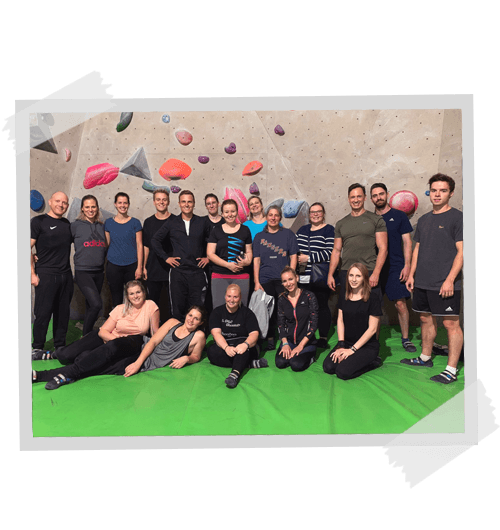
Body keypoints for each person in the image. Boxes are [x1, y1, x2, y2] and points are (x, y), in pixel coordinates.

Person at [32, 280, 160, 389]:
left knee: (86, 359)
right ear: (127, 296)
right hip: (110, 338)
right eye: (132, 293)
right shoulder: (120, 308)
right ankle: (52, 354)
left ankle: (45, 375)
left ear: (144, 293)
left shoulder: (150, 305)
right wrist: (115, 339)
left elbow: (155, 332)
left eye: (138, 292)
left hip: (132, 341)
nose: (136, 296)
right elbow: (103, 331)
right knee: (66, 355)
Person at [402, 174, 463, 384]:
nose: (437, 194)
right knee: (425, 319)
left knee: (450, 323)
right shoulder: (424, 220)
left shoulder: (458, 218)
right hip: (422, 281)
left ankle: (451, 370)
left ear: (451, 193)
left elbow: (462, 252)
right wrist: (412, 274)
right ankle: (425, 357)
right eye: (434, 190)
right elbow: (417, 249)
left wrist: (450, 279)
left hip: (445, 283)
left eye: (443, 190)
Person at [150, 190, 211, 321]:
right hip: (178, 273)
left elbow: (214, 240)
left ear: (194, 203)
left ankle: (197, 333)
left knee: (197, 309)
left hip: (197, 272)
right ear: (179, 204)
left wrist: (209, 257)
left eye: (189, 202)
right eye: (183, 202)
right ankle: (178, 333)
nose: (186, 204)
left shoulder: (202, 222)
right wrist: (166, 257)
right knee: (178, 309)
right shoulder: (172, 222)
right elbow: (155, 240)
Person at [370, 183, 416, 352]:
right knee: (373, 305)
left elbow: (407, 242)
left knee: (400, 304)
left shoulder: (399, 216)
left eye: (381, 194)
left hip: (396, 267)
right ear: (371, 198)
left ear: (387, 194)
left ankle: (405, 338)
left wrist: (407, 266)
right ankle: (373, 339)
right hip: (374, 267)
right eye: (375, 195)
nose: (378, 198)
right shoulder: (369, 218)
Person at [327, 183, 388, 307]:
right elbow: (336, 251)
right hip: (347, 273)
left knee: (371, 311)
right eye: (353, 197)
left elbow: (383, 248)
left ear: (365, 197)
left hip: (368, 271)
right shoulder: (341, 223)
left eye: (359, 196)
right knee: (348, 310)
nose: (356, 200)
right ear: (348, 199)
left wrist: (376, 273)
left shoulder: (376, 219)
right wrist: (330, 274)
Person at [31, 191, 74, 359]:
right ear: (50, 202)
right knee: (43, 313)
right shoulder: (38, 221)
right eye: (57, 201)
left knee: (62, 314)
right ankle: (37, 347)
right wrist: (32, 273)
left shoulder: (67, 224)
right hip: (46, 274)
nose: (61, 205)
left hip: (65, 275)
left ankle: (59, 346)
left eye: (64, 203)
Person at [323, 263, 383, 380]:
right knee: (328, 367)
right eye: (351, 275)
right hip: (347, 343)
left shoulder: (373, 298)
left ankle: (372, 362)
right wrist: (341, 345)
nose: (354, 279)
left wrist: (352, 350)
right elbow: (340, 320)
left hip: (367, 346)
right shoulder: (344, 295)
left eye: (358, 276)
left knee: (342, 372)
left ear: (364, 278)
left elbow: (372, 329)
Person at [253, 206, 298, 350]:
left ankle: (287, 336)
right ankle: (270, 337)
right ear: (266, 217)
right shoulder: (259, 237)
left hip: (283, 280)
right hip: (265, 279)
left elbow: (294, 256)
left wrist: (291, 277)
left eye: (276, 215)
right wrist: (256, 281)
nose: (273, 218)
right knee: (268, 311)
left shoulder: (288, 234)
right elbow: (256, 260)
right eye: (270, 215)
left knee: (284, 309)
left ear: (280, 218)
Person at [208, 284, 268, 388]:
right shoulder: (217, 312)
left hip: (244, 346)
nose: (231, 300)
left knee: (243, 351)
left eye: (235, 297)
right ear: (225, 296)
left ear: (240, 298)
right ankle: (249, 364)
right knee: (211, 352)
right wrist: (226, 347)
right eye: (229, 296)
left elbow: (254, 334)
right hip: (226, 346)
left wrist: (245, 344)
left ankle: (234, 375)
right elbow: (216, 334)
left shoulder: (247, 313)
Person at [122, 305, 207, 376]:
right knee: (115, 347)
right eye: (190, 315)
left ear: (201, 322)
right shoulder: (172, 322)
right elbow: (153, 342)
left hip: (151, 361)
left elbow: (196, 356)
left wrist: (187, 358)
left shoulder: (199, 336)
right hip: (142, 346)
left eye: (196, 319)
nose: (191, 320)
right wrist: (137, 363)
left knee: (120, 367)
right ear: (186, 315)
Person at [295, 202, 335, 349]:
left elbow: (330, 252)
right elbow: (296, 249)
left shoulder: (329, 230)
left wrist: (309, 258)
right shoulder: (302, 230)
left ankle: (323, 337)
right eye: (312, 212)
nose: (315, 214)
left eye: (318, 211)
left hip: (320, 276)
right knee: (305, 307)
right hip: (303, 275)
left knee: (322, 306)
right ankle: (307, 336)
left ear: (323, 214)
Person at [71, 195, 108, 336]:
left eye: (93, 206)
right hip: (83, 272)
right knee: (96, 304)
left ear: (97, 208)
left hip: (99, 272)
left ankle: (86, 334)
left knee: (90, 305)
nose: (90, 210)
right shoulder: (75, 226)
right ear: (82, 208)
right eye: (87, 207)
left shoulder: (102, 226)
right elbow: (61, 243)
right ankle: (87, 335)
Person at [207, 199, 253, 308]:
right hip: (219, 275)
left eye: (232, 211)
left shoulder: (245, 230)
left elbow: (249, 252)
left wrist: (246, 262)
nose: (230, 214)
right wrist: (228, 265)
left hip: (241, 276)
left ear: (237, 212)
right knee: (219, 309)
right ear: (222, 214)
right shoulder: (216, 230)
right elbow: (210, 254)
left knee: (241, 309)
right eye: (226, 212)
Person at [104, 192, 143, 309]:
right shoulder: (108, 223)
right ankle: (118, 320)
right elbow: (106, 245)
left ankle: (133, 320)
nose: (122, 205)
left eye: (125, 203)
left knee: (134, 298)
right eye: (120, 203)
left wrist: (139, 267)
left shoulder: (135, 223)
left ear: (128, 204)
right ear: (115, 204)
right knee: (116, 298)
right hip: (113, 266)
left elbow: (139, 245)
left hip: (132, 266)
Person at [276, 266, 319, 372]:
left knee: (296, 365)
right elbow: (281, 323)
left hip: (306, 342)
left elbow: (314, 325)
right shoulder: (282, 299)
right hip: (290, 341)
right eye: (285, 281)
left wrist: (300, 346)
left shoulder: (309, 296)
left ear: (297, 278)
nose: (288, 283)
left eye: (290, 279)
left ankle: (311, 357)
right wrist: (285, 343)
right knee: (280, 363)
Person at [142, 188, 173, 322]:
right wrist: (144, 266)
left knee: (169, 305)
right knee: (153, 304)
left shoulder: (176, 220)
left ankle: (169, 330)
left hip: (171, 269)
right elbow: (146, 246)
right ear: (154, 202)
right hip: (153, 268)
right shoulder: (148, 222)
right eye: (158, 199)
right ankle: (153, 331)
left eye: (164, 199)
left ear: (168, 202)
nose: (161, 202)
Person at [203, 193, 225, 315]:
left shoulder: (226, 221)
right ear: (206, 206)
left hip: (223, 265)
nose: (211, 205)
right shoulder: (202, 222)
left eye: (213, 203)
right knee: (209, 296)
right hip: (206, 267)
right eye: (208, 204)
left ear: (218, 204)